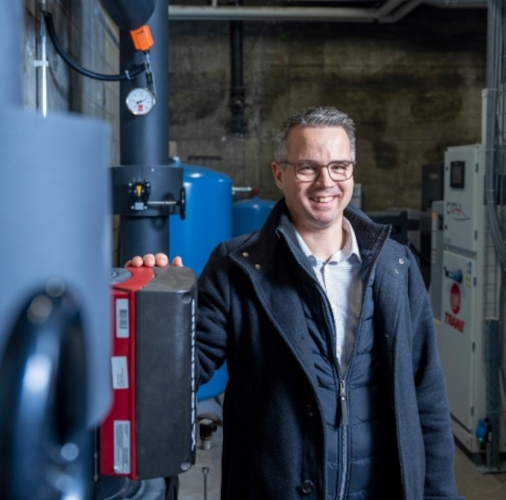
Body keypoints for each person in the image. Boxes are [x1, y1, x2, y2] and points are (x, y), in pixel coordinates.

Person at [129, 106, 460, 500]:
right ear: (279, 174)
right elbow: (183, 373)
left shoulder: (396, 266)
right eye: (307, 168)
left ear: (352, 172)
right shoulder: (238, 268)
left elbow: (427, 394)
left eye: (339, 167)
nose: (326, 182)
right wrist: (158, 315)